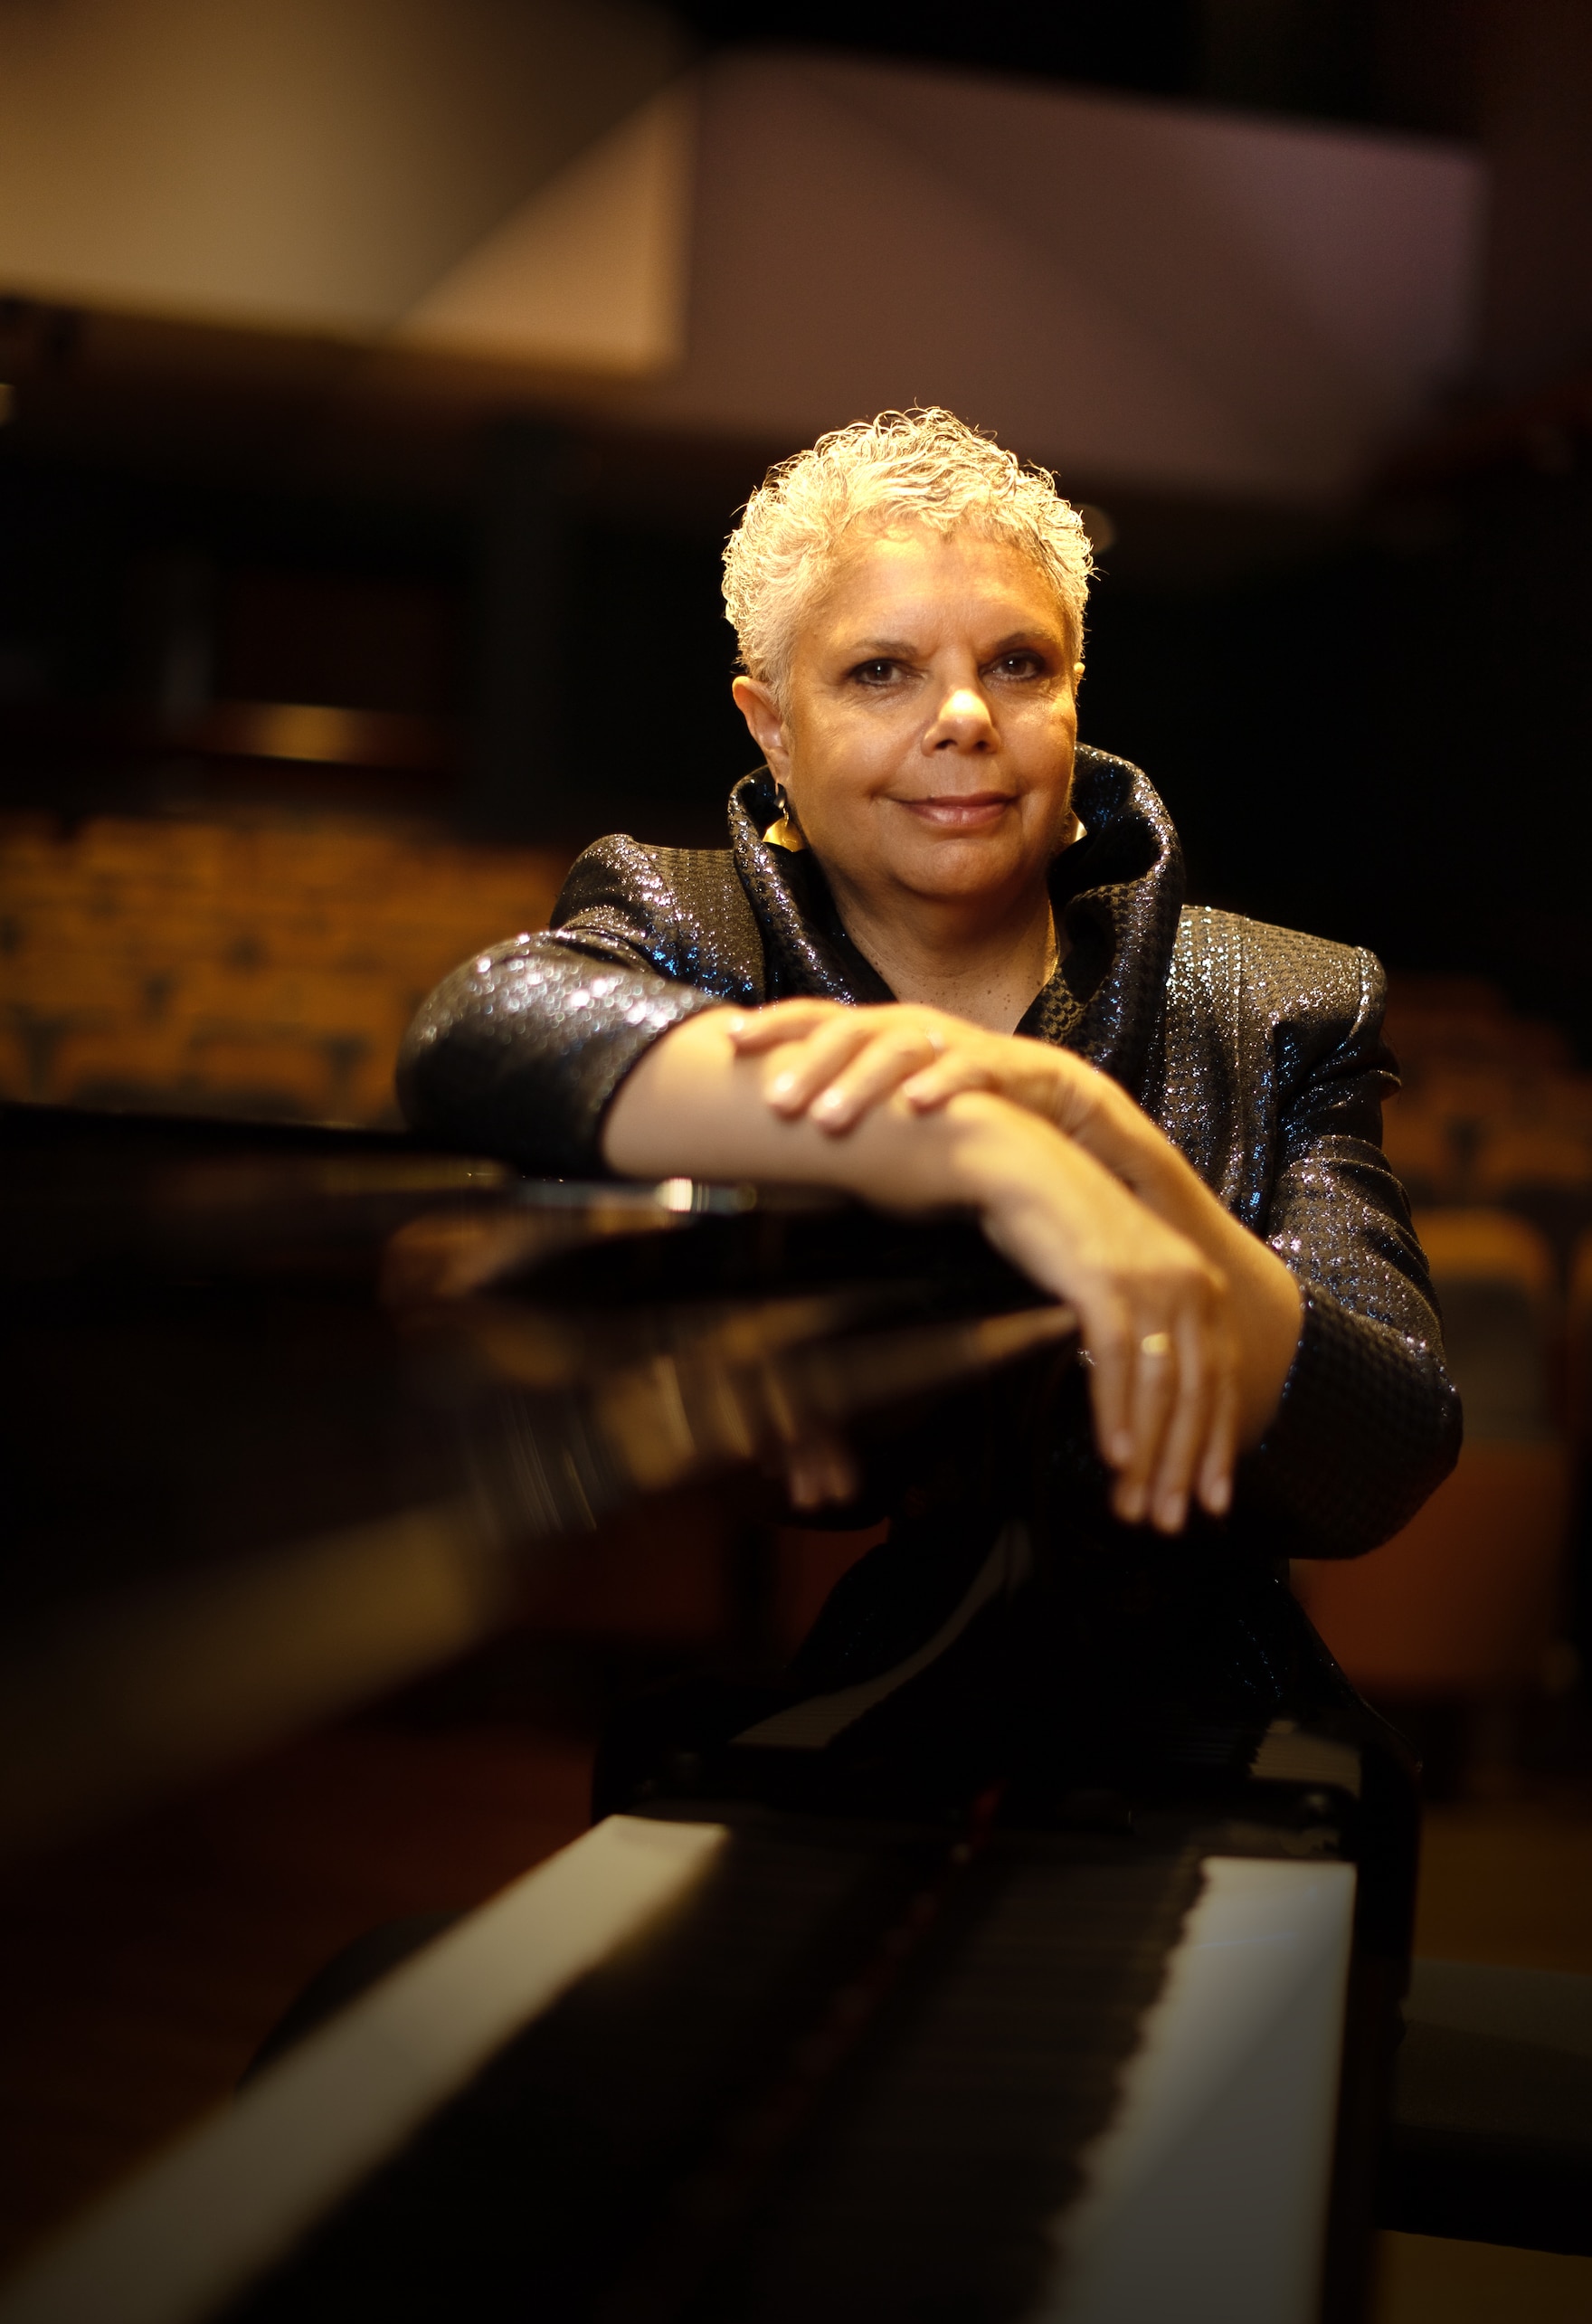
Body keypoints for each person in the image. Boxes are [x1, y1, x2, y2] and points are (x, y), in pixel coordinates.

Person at [400, 408, 1458, 1754]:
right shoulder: (684, 920)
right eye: (881, 673)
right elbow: (475, 1031)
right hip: (751, 1721)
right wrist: (973, 1139)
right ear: (770, 726)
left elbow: (1386, 1448)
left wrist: (1107, 1154)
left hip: (1199, 1748)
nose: (965, 717)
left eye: (1019, 663)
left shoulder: (1281, 1000)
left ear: (1077, 693)